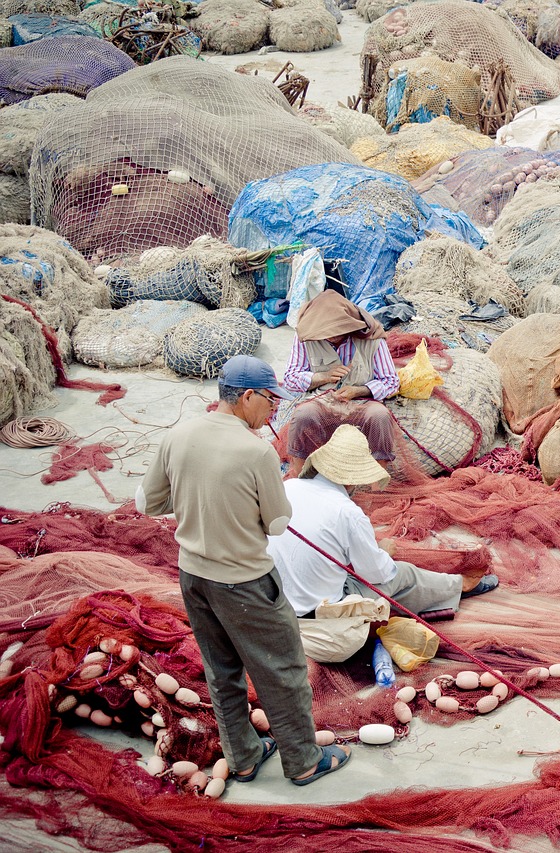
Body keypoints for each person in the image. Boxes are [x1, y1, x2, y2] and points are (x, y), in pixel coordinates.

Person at [137, 355, 352, 786]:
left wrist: (198, 499)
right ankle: (305, 761)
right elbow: (277, 524)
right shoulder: (255, 451)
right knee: (283, 671)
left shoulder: (178, 435)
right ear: (247, 396)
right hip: (246, 583)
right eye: (270, 399)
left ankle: (244, 757)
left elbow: (147, 504)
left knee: (222, 670)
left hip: (194, 579)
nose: (274, 409)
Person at [268, 424, 499, 621]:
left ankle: (447, 590)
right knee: (404, 574)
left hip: (275, 601)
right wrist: (384, 552)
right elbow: (378, 574)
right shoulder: (348, 511)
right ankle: (460, 586)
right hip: (322, 609)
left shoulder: (286, 487)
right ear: (354, 479)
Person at [280, 290, 400, 476]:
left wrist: (359, 391)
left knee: (380, 416)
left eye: (336, 333)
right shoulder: (306, 335)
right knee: (303, 415)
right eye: (325, 334)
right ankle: (301, 477)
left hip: (361, 403)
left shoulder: (372, 338)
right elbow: (290, 378)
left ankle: (376, 485)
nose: (330, 338)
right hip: (322, 401)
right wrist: (323, 377)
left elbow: (391, 381)